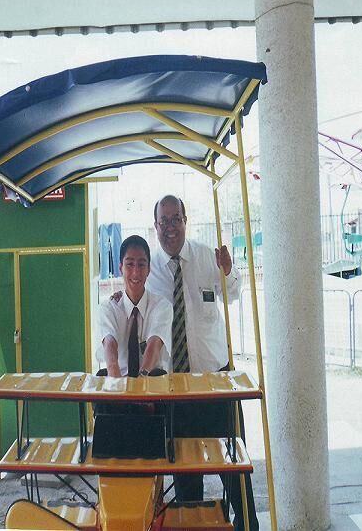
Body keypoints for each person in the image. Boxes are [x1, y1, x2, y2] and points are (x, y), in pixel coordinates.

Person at [146, 194, 258, 531]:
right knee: (185, 471)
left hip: (215, 381)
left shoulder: (207, 256)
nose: (170, 227)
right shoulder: (148, 270)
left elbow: (235, 292)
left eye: (175, 218)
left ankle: (247, 525)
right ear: (156, 226)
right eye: (163, 221)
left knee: (233, 464)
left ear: (185, 219)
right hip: (174, 387)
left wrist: (229, 269)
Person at [97, 234, 172, 378]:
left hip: (150, 384)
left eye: (141, 264)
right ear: (121, 268)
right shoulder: (108, 308)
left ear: (149, 269)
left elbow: (153, 346)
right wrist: (120, 392)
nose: (136, 272)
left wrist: (140, 386)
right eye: (129, 264)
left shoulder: (162, 306)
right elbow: (110, 345)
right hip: (118, 381)